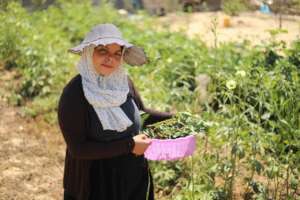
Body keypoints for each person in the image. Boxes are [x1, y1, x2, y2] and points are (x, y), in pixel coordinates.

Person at [57, 23, 174, 200]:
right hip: (94, 184)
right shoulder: (75, 93)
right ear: (89, 53)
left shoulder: (124, 83)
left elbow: (141, 114)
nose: (110, 58)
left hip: (132, 179)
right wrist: (129, 145)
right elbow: (78, 149)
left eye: (117, 53)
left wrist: (176, 118)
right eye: (102, 51)